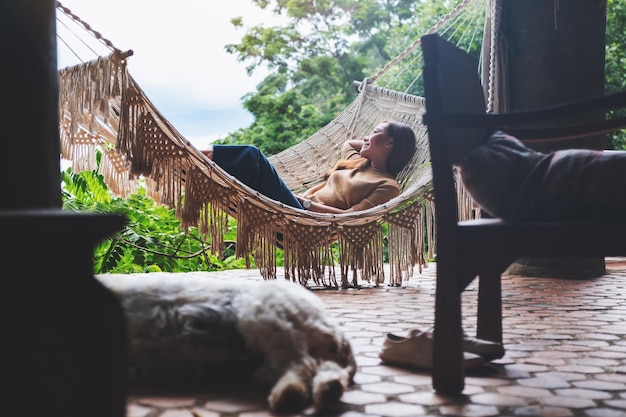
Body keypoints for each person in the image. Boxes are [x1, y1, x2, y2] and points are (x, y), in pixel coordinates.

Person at [200, 121, 417, 213]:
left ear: (390, 143)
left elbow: (350, 218)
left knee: (253, 156)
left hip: (306, 217)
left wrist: (306, 206)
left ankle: (192, 156)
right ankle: (190, 161)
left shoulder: (388, 186)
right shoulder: (358, 160)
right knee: (249, 170)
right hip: (295, 204)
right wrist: (374, 143)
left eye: (375, 132)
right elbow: (349, 143)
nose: (366, 137)